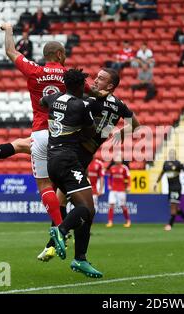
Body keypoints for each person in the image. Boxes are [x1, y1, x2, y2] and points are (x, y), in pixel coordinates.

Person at [0, 22, 71, 234]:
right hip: (65, 135)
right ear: (60, 54)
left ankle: (60, 229)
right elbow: (94, 93)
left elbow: (10, 51)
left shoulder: (35, 71)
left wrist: (8, 29)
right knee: (21, 147)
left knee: (45, 184)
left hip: (42, 132)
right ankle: (62, 232)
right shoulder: (70, 76)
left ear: (46, 55)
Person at [46, 68, 140, 270]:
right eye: (96, 77)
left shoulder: (88, 100)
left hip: (73, 153)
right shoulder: (119, 105)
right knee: (79, 206)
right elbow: (136, 125)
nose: (95, 80)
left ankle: (59, 241)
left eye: (101, 78)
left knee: (68, 201)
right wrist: (118, 135)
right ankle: (62, 244)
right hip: (74, 155)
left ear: (110, 85)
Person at [41, 68, 102, 277]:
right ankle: (61, 230)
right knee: (86, 208)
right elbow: (91, 131)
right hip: (68, 160)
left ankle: (80, 259)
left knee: (87, 211)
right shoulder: (82, 105)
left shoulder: (52, 97)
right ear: (79, 86)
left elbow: (42, 101)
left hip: (52, 161)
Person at [153, 149, 184, 231]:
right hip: (170, 188)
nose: (171, 155)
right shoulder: (166, 164)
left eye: (173, 154)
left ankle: (170, 225)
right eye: (170, 154)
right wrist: (156, 183)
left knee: (173, 207)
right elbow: (162, 173)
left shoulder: (178, 164)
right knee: (176, 208)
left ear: (175, 155)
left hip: (176, 188)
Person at [106, 155, 131, 228]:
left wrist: (128, 186)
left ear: (121, 160)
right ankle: (110, 222)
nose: (117, 160)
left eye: (119, 159)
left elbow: (128, 178)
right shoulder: (112, 168)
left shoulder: (124, 168)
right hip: (113, 190)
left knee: (123, 205)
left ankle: (128, 221)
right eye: (116, 159)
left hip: (121, 190)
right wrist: (109, 185)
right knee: (111, 205)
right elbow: (110, 178)